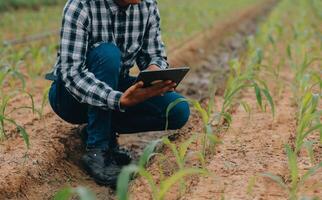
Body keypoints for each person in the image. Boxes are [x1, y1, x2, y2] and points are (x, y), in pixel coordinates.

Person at [47, 0, 190, 187]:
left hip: (113, 86)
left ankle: (99, 131)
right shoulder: (80, 5)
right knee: (107, 53)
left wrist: (154, 72)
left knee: (177, 110)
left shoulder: (147, 5)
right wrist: (119, 100)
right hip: (70, 97)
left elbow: (153, 55)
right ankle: (98, 149)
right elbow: (72, 74)